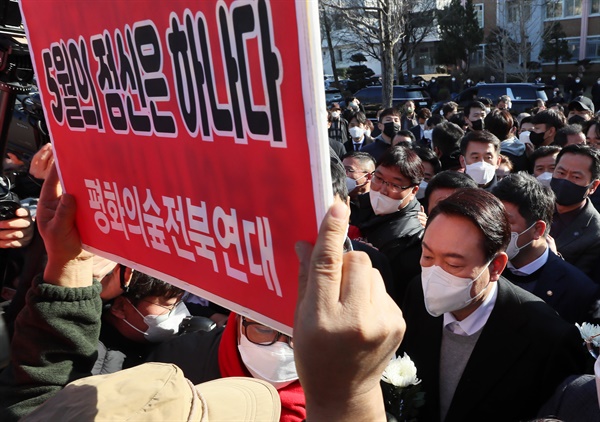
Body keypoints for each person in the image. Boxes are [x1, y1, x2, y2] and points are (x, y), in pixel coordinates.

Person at [398, 188, 587, 422]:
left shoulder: (547, 337)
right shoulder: (417, 292)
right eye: (427, 257)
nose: (435, 274)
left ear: (496, 266)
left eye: (453, 264)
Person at [492, 172, 600, 324]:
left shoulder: (579, 291)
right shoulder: (485, 268)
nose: (496, 228)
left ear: (537, 229)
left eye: (507, 221)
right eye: (493, 218)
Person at [350, 146, 424, 305]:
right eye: (379, 178)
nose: (383, 189)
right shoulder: (361, 206)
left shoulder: (409, 239)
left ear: (413, 191)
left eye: (395, 185)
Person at [549, 144, 600, 277]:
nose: (565, 181)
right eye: (561, 173)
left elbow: (586, 287)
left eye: (576, 177)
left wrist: (553, 258)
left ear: (593, 186)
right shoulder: (531, 207)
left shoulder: (595, 233)